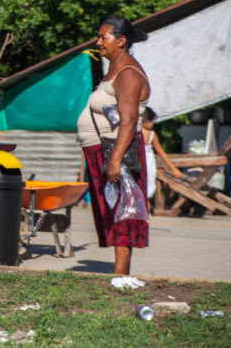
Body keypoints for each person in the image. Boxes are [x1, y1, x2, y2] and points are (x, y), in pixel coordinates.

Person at [77, 15, 150, 275]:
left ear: (121, 41)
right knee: (114, 210)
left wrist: (116, 159)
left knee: (123, 211)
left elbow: (129, 120)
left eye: (103, 37)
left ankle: (120, 275)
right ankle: (120, 273)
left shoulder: (128, 72)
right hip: (103, 150)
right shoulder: (115, 69)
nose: (98, 42)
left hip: (116, 151)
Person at [142, 106, 183, 200]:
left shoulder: (132, 132)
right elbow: (161, 152)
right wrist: (174, 168)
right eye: (152, 122)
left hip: (137, 164)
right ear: (145, 121)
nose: (153, 124)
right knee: (146, 193)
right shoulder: (151, 134)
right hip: (148, 164)